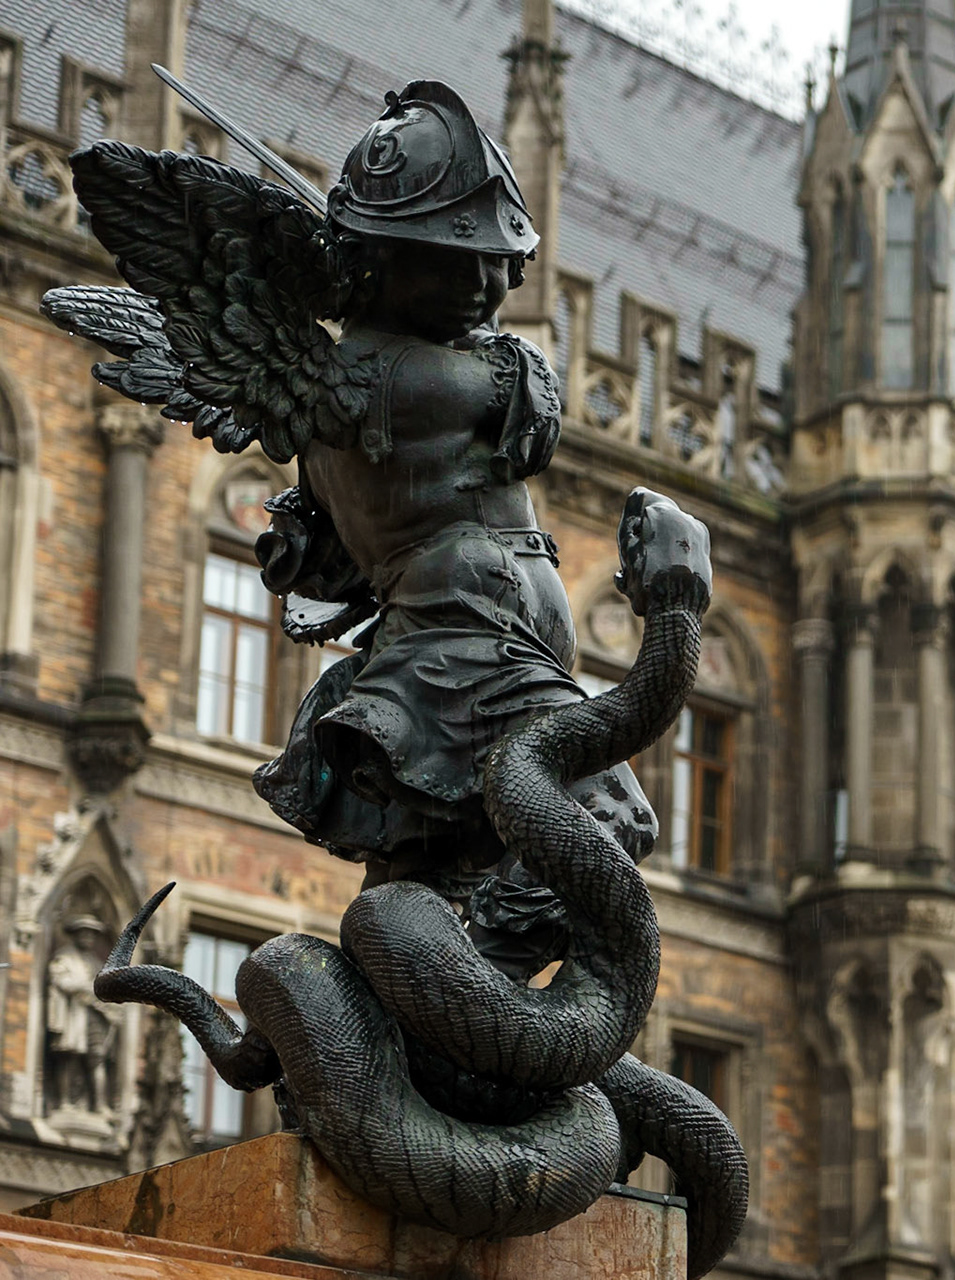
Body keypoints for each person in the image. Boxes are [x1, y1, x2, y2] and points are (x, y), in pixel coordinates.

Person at [244, 84, 652, 964]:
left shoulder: (336, 385)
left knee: (427, 893)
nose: (488, 284)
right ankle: (478, 998)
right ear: (383, 260)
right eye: (456, 261)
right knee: (612, 819)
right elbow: (519, 403)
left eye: (495, 264)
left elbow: (317, 561)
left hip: (470, 658)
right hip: (469, 662)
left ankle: (424, 1017)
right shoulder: (387, 378)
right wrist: (520, 354)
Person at [44, 914, 117, 1113]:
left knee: (97, 1058)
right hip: (74, 1015)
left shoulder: (94, 962)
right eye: (84, 933)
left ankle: (99, 1104)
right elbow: (60, 980)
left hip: (94, 1016)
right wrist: (85, 987)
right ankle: (65, 1101)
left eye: (92, 934)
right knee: (70, 1057)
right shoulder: (65, 956)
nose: (88, 938)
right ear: (76, 935)